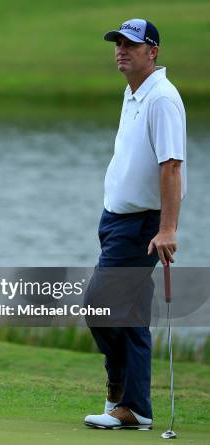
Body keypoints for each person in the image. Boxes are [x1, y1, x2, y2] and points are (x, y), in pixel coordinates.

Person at [82, 18, 187, 430]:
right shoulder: (135, 93)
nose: (121, 50)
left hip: (142, 225)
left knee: (99, 304)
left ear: (153, 52)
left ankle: (120, 392)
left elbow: (172, 165)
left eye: (131, 45)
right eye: (118, 44)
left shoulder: (162, 98)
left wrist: (168, 229)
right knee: (129, 315)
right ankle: (135, 407)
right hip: (116, 221)